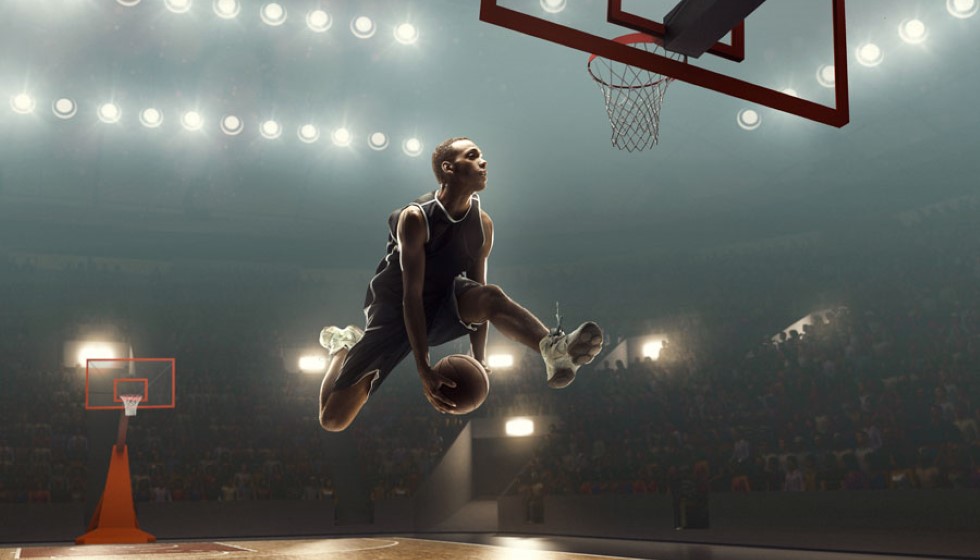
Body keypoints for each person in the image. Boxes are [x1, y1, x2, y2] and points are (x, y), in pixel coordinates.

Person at [317, 137, 603, 432]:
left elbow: (480, 291)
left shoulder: (483, 225)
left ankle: (554, 350)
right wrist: (423, 367)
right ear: (449, 168)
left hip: (443, 304)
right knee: (333, 420)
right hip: (395, 313)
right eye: (473, 155)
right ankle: (343, 346)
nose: (484, 161)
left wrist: (478, 358)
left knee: (490, 295)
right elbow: (411, 297)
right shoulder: (415, 218)